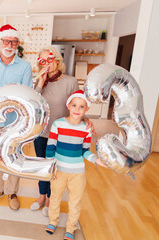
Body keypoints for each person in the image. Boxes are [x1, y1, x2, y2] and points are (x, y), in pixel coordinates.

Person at [30, 46, 95, 216]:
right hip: (41, 132)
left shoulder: (70, 81)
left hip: (61, 134)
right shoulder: (38, 81)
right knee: (41, 167)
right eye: (42, 61)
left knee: (55, 169)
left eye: (50, 59)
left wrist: (86, 119)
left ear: (57, 60)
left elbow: (78, 105)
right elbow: (33, 104)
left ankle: (50, 200)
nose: (47, 64)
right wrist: (40, 84)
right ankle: (41, 196)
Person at [0, 24, 32, 210]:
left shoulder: (25, 66)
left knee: (14, 154)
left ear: (17, 44)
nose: (9, 45)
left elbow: (27, 94)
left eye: (13, 42)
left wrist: (15, 107)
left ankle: (12, 191)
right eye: (6, 41)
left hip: (16, 121)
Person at [44, 90, 106, 240]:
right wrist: (51, 169)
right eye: (74, 105)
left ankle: (71, 228)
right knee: (55, 197)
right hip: (58, 171)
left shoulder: (86, 129)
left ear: (87, 109)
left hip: (77, 173)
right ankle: (53, 221)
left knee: (75, 202)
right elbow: (50, 147)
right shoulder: (57, 124)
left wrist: (96, 160)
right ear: (68, 106)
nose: (77, 110)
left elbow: (85, 150)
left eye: (81, 107)